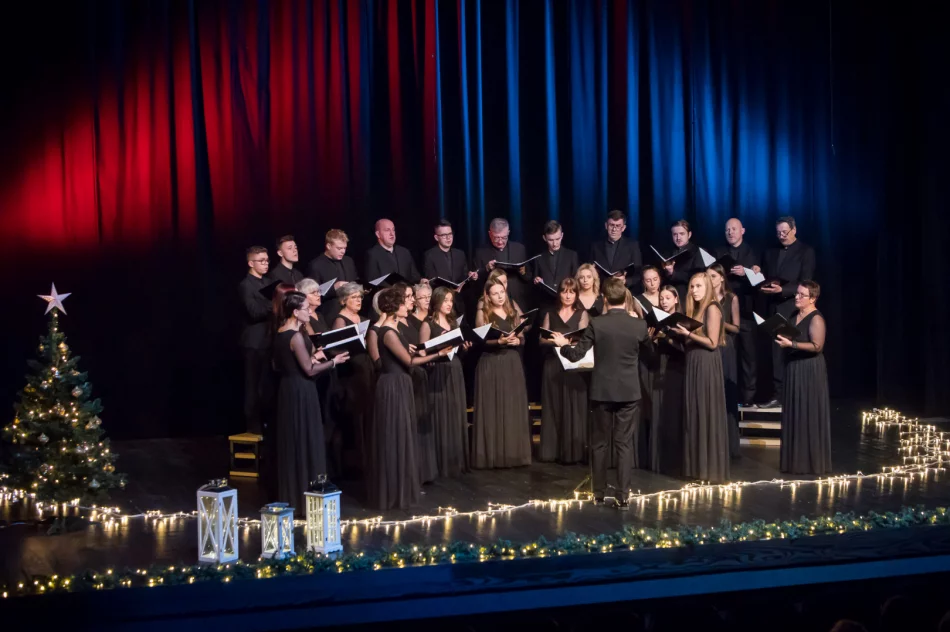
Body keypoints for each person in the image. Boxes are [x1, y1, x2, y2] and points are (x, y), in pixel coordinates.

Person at [552, 278, 651, 505]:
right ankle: (623, 497)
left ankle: (598, 494)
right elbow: (650, 356)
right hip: (629, 392)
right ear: (625, 298)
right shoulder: (639, 325)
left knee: (599, 444)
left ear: (605, 299)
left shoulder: (597, 324)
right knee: (624, 445)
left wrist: (562, 345)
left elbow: (576, 355)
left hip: (602, 392)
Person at [371, 288, 451, 510]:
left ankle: (402, 487)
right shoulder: (387, 331)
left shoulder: (394, 329)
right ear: (395, 307)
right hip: (393, 386)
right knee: (394, 435)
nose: (409, 306)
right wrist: (439, 354)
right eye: (405, 303)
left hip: (400, 384)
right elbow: (408, 361)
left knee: (402, 434)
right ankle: (395, 491)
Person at [273, 291, 349, 508]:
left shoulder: (282, 332)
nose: (309, 312)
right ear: (296, 312)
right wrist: (335, 362)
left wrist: (315, 355)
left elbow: (286, 363)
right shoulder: (295, 336)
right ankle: (306, 495)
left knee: (297, 440)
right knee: (305, 438)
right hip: (301, 391)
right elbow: (308, 369)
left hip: (289, 389)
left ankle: (296, 492)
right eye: (306, 309)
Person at [671, 272, 729, 483]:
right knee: (694, 411)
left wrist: (688, 335)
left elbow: (713, 342)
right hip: (694, 362)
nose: (694, 290)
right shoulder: (695, 310)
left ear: (708, 288)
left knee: (705, 411)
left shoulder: (712, 307)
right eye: (692, 286)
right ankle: (696, 467)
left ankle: (709, 469)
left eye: (698, 286)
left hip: (706, 363)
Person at [472, 277, 532, 468]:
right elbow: (478, 342)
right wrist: (498, 342)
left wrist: (518, 341)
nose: (499, 296)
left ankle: (513, 454)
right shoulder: (483, 313)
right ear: (488, 296)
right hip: (491, 364)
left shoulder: (512, 311)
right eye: (495, 293)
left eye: (501, 292)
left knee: (511, 407)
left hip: (511, 363)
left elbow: (521, 336)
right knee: (493, 408)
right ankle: (492, 456)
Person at [760, 216, 816, 407]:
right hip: (774, 308)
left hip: (794, 308)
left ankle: (796, 396)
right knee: (776, 353)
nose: (781, 235)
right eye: (778, 232)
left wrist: (783, 290)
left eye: (785, 231)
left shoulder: (805, 251)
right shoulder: (771, 252)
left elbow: (806, 280)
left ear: (794, 230)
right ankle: (778, 395)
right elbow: (768, 276)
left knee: (793, 349)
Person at [776, 280, 831, 474]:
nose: (797, 297)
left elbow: (817, 346)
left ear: (813, 298)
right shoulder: (794, 315)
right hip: (794, 367)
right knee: (794, 411)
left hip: (809, 370)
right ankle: (794, 461)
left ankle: (810, 462)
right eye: (797, 294)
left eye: (802, 295)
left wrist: (792, 345)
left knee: (808, 411)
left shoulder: (816, 319)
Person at [419, 287, 471, 477]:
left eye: (451, 300)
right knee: (441, 415)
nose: (449, 304)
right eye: (446, 300)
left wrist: (464, 347)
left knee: (455, 413)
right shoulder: (428, 324)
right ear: (437, 302)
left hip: (454, 369)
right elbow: (423, 354)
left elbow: (456, 350)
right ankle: (441, 464)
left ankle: (456, 462)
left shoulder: (452, 322)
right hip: (438, 372)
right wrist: (438, 346)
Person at [538, 278, 590, 464]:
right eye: (564, 291)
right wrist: (555, 342)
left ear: (576, 294)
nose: (568, 295)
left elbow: (586, 339)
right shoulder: (551, 314)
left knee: (574, 407)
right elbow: (541, 340)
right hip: (553, 364)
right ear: (559, 293)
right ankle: (552, 451)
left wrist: (568, 343)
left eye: (571, 292)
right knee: (554, 406)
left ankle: (574, 452)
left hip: (573, 365)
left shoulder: (582, 313)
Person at [715, 218, 761, 406]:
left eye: (734, 229)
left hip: (746, 312)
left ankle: (749, 397)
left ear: (743, 230)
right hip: (724, 310)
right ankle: (725, 395)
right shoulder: (719, 252)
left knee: (748, 356)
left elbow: (760, 279)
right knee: (726, 354)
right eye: (727, 229)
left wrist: (748, 272)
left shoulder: (753, 253)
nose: (730, 232)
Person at [331, 282, 374, 478]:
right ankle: (352, 465)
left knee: (366, 415)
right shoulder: (340, 320)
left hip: (365, 366)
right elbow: (335, 348)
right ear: (343, 300)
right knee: (354, 417)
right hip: (351, 371)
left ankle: (367, 460)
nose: (358, 301)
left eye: (360, 297)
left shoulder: (363, 318)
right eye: (354, 298)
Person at [397, 283, 437, 485]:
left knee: (421, 425)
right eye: (409, 296)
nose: (412, 300)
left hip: (420, 374)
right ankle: (413, 472)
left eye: (413, 296)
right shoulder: (399, 325)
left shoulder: (411, 323)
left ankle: (423, 470)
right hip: (408, 377)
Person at [648, 286, 686, 475]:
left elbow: (684, 349)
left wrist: (667, 339)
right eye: (661, 298)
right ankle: (657, 459)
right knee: (658, 410)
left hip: (676, 369)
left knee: (672, 412)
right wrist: (652, 340)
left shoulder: (682, 320)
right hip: (659, 365)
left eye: (668, 298)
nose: (664, 301)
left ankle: (673, 460)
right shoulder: (657, 319)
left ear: (676, 299)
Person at [239, 246, 273, 435]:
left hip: (268, 340)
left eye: (267, 260)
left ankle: (267, 427)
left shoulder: (268, 282)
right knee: (253, 388)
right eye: (261, 260)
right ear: (251, 263)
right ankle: (253, 429)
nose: (265, 263)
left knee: (266, 388)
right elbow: (254, 312)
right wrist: (273, 305)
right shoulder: (246, 285)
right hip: (253, 343)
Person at [708, 264, 741, 458]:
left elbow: (736, 327)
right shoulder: (706, 299)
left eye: (713, 276)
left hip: (726, 346)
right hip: (711, 345)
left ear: (721, 277)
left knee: (727, 393)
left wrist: (720, 321)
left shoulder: (731, 298)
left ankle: (730, 446)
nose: (710, 280)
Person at [473, 218, 532, 311]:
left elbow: (528, 277)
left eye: (504, 237)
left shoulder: (519, 249)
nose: (500, 241)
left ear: (508, 232)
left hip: (519, 302)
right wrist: (486, 269)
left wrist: (523, 272)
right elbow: (476, 283)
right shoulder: (481, 253)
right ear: (490, 234)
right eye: (496, 237)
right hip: (494, 306)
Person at [306, 229, 359, 322]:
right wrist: (333, 288)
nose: (343, 251)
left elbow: (355, 279)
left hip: (352, 311)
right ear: (329, 246)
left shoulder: (348, 261)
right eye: (339, 248)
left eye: (344, 248)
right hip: (331, 314)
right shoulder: (316, 265)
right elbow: (312, 295)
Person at [589, 209, 643, 291]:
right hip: (602, 291)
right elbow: (590, 270)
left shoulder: (632, 246)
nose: (614, 229)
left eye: (618, 226)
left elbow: (638, 273)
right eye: (611, 225)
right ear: (606, 226)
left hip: (624, 291)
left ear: (623, 228)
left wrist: (626, 281)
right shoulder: (596, 246)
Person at [529, 220, 579, 305]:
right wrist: (537, 281)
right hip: (546, 303)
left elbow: (576, 280)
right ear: (544, 238)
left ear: (562, 235)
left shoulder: (571, 255)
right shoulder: (539, 258)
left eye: (557, 239)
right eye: (551, 240)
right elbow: (535, 282)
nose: (555, 243)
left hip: (567, 303)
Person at [364, 218, 422, 285]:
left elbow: (415, 276)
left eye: (393, 230)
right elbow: (372, 281)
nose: (392, 233)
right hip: (386, 294)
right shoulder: (372, 254)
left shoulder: (404, 252)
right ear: (378, 234)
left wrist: (421, 281)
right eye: (387, 230)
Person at [423, 219, 477, 287]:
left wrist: (470, 276)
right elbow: (431, 280)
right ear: (436, 238)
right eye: (444, 235)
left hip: (459, 295)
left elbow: (464, 276)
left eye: (450, 234)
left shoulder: (460, 254)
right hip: (441, 295)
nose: (448, 238)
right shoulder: (430, 255)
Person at [659, 220, 704, 300]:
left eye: (682, 234)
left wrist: (673, 273)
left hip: (690, 296)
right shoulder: (667, 254)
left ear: (689, 235)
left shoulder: (698, 252)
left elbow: (697, 277)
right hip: (671, 298)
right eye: (675, 234)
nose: (678, 238)